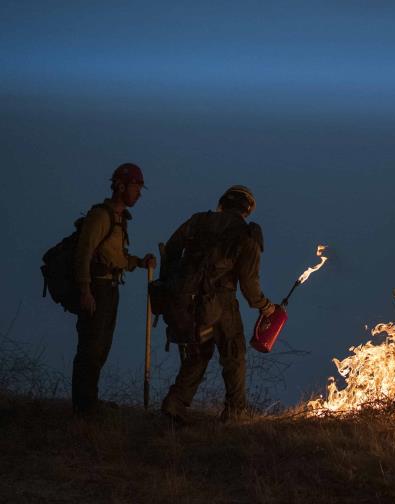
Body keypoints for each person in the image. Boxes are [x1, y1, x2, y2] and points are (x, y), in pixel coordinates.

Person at [160, 185, 276, 423]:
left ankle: (174, 405)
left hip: (184, 298)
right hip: (220, 302)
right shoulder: (247, 234)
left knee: (198, 352)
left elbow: (171, 248)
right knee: (234, 354)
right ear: (247, 209)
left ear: (223, 202)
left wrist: (170, 283)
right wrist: (265, 306)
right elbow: (249, 286)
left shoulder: (199, 220)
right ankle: (235, 412)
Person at [73, 162, 156, 417]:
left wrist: (140, 263)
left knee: (102, 346)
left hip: (111, 287)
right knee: (91, 346)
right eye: (135, 187)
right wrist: (85, 290)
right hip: (97, 287)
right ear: (120, 186)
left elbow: (116, 256)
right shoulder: (101, 216)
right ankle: (84, 407)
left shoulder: (120, 220)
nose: (139, 193)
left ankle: (90, 402)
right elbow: (83, 253)